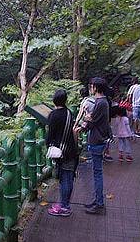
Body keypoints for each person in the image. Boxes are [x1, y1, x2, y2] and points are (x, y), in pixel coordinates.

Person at [74, 77, 112, 215]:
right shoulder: (102, 101)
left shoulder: (101, 102)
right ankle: (97, 201)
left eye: (91, 85)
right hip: (98, 139)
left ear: (96, 87)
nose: (90, 87)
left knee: (97, 174)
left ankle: (99, 204)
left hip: (97, 140)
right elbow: (91, 119)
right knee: (97, 173)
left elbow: (91, 119)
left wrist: (85, 120)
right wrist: (87, 119)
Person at [46, 89, 79, 217]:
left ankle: (64, 207)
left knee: (65, 179)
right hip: (71, 150)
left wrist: (47, 144)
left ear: (54, 100)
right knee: (68, 177)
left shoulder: (53, 115)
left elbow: (50, 135)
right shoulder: (69, 112)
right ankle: (65, 204)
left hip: (61, 152)